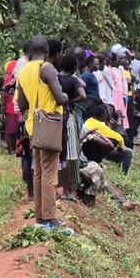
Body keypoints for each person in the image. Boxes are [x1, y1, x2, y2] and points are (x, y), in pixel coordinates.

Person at [16, 35, 70, 231]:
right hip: (49, 126)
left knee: (38, 171)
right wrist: (65, 96)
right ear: (47, 52)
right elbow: (60, 98)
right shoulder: (47, 68)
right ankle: (49, 217)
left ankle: (40, 216)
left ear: (30, 52)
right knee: (49, 173)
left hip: (33, 125)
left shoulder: (23, 71)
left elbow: (22, 104)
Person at [56, 53, 86, 201]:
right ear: (74, 67)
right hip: (67, 116)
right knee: (68, 155)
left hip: (53, 117)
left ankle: (54, 187)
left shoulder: (54, 78)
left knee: (55, 153)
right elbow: (83, 95)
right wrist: (71, 101)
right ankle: (65, 191)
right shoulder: (73, 80)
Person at [82, 104, 133, 173]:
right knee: (128, 152)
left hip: (88, 151)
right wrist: (121, 147)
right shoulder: (99, 125)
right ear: (103, 115)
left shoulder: (89, 120)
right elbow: (119, 137)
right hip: (95, 153)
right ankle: (123, 174)